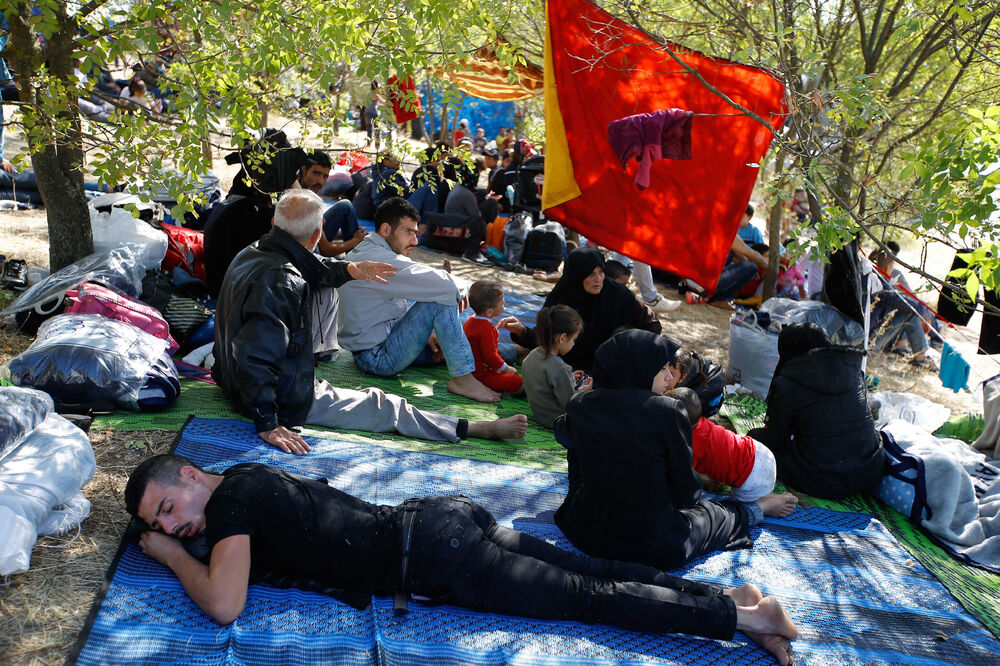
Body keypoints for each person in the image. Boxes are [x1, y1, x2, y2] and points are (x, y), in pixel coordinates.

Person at [123, 454, 799, 665]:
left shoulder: (232, 504)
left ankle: (741, 619)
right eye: (161, 524)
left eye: (168, 508)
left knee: (585, 597)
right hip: (442, 519)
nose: (174, 526)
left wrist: (168, 554)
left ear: (191, 473)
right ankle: (734, 602)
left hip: (437, 554)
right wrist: (181, 541)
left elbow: (224, 604)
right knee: (587, 572)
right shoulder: (244, 476)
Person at [213, 190, 527, 454]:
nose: (414, 239)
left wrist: (348, 269)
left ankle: (503, 359)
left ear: (274, 223)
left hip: (236, 381)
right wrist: (267, 421)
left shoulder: (254, 252)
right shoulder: (281, 281)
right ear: (318, 233)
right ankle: (471, 427)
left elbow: (312, 266)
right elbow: (258, 354)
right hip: (277, 397)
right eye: (409, 232)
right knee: (382, 407)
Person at [554, 330, 797, 571]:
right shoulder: (666, 411)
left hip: (584, 529)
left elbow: (570, 451)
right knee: (715, 515)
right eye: (662, 369)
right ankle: (759, 508)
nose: (669, 377)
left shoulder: (580, 403)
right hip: (651, 544)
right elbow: (686, 494)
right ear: (640, 369)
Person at [338, 197, 502, 403]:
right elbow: (448, 288)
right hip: (377, 358)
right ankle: (462, 378)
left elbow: (383, 309)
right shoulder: (381, 260)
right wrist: (458, 288)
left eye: (416, 233)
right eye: (408, 232)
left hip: (376, 347)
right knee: (441, 300)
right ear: (386, 229)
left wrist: (425, 332)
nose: (415, 241)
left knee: (460, 344)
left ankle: (515, 351)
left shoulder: (369, 249)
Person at [751, 323, 886, 500]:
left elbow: (775, 437)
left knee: (755, 440)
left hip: (823, 480)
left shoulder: (788, 382)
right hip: (870, 470)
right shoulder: (852, 370)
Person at [502, 246, 662, 371]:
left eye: (601, 272)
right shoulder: (562, 297)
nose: (598, 279)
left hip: (610, 367)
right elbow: (546, 336)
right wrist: (521, 330)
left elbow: (652, 325)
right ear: (577, 274)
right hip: (570, 365)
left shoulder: (618, 295)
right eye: (591, 274)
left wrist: (628, 349)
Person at [668, 387, 797, 515]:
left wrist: (704, 482)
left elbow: (685, 478)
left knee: (740, 509)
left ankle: (770, 501)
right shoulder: (702, 423)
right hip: (759, 451)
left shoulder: (688, 444)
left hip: (751, 478)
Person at [520, 305, 592, 428]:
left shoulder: (532, 355)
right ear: (563, 338)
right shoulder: (560, 368)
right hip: (559, 421)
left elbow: (545, 384)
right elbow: (570, 403)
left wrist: (569, 378)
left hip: (539, 415)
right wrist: (583, 392)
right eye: (573, 339)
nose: (573, 344)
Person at [462, 280, 523, 394]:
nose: (504, 304)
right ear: (489, 312)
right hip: (480, 375)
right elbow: (490, 357)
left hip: (468, 370)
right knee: (517, 382)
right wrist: (506, 369)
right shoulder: (487, 329)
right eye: (502, 304)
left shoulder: (471, 320)